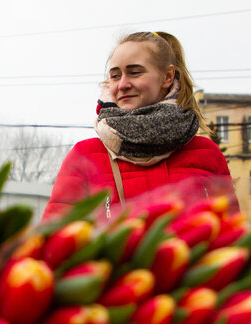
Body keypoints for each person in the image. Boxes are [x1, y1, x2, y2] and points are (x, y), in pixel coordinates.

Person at [43, 31, 238, 220]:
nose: (123, 84)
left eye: (135, 72)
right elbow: (54, 239)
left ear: (167, 77)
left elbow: (231, 238)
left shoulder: (207, 154)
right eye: (115, 76)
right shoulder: (85, 156)